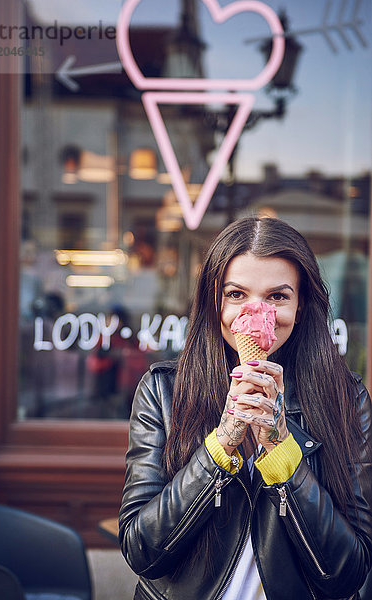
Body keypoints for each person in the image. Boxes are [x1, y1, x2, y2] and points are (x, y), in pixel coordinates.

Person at [119, 217, 372, 600]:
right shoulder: (163, 391)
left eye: (277, 297)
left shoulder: (347, 400)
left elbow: (347, 571)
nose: (256, 316)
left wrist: (280, 447)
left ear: (301, 307)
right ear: (214, 302)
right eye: (236, 294)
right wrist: (222, 444)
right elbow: (142, 552)